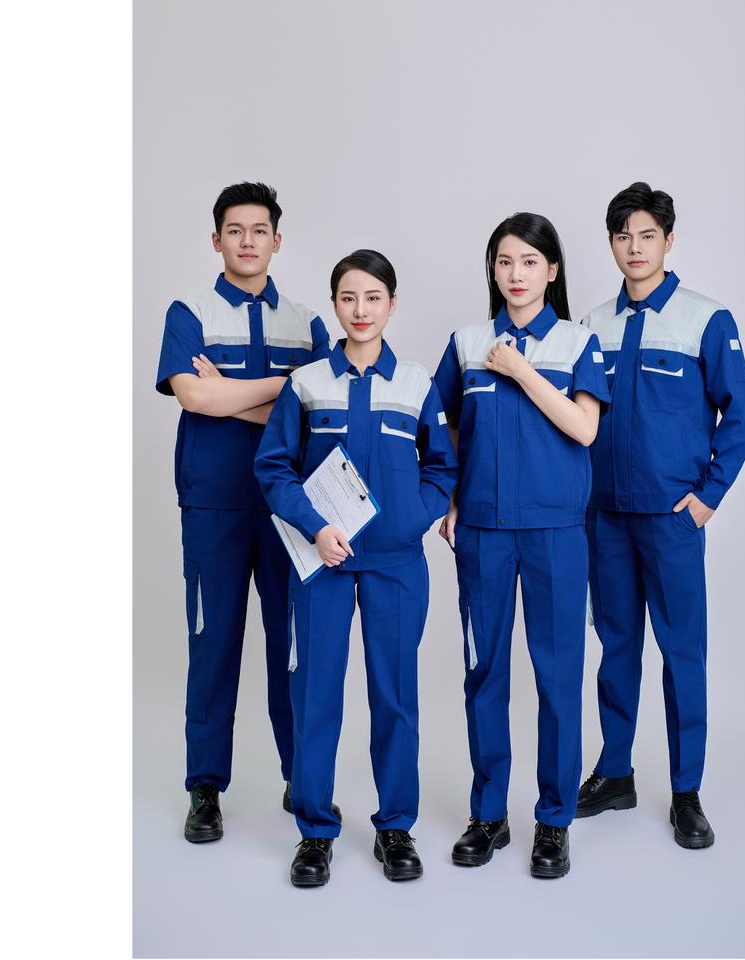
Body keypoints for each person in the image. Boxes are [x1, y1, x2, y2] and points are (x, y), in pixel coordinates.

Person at [255, 249, 457, 887]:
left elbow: (442, 467)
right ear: (335, 305)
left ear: (392, 304)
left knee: (394, 695)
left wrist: (411, 520)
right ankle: (315, 832)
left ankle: (395, 827)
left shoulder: (416, 383)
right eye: (348, 298)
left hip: (395, 565)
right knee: (315, 694)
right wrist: (315, 526)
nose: (360, 310)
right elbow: (273, 467)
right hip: (323, 563)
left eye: (373, 298)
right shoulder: (308, 382)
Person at [575, 181, 745, 849]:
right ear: (611, 244)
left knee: (682, 653)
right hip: (605, 518)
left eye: (647, 235)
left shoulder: (706, 320)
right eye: (623, 236)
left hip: (672, 520)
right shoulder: (592, 325)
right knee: (616, 647)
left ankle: (686, 791)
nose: (635, 247)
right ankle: (615, 772)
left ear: (668, 240)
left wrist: (707, 498)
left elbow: (741, 413)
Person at [434, 213, 610, 879]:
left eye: (530, 262)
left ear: (552, 270)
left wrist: (521, 368)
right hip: (483, 532)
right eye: (505, 261)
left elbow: (584, 429)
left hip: (555, 534)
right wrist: (453, 497)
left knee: (558, 678)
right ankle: (489, 816)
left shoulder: (578, 342)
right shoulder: (466, 343)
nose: (516, 274)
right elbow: (448, 429)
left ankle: (554, 820)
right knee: (485, 673)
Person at [155, 181, 331, 843]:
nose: (248, 241)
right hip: (214, 505)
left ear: (277, 241)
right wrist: (283, 388)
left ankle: (300, 778)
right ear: (216, 239)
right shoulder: (189, 312)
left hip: (289, 509)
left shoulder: (308, 323)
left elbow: (313, 417)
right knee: (213, 644)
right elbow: (194, 399)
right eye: (235, 230)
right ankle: (205, 789)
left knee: (294, 649)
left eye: (259, 230)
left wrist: (230, 391)